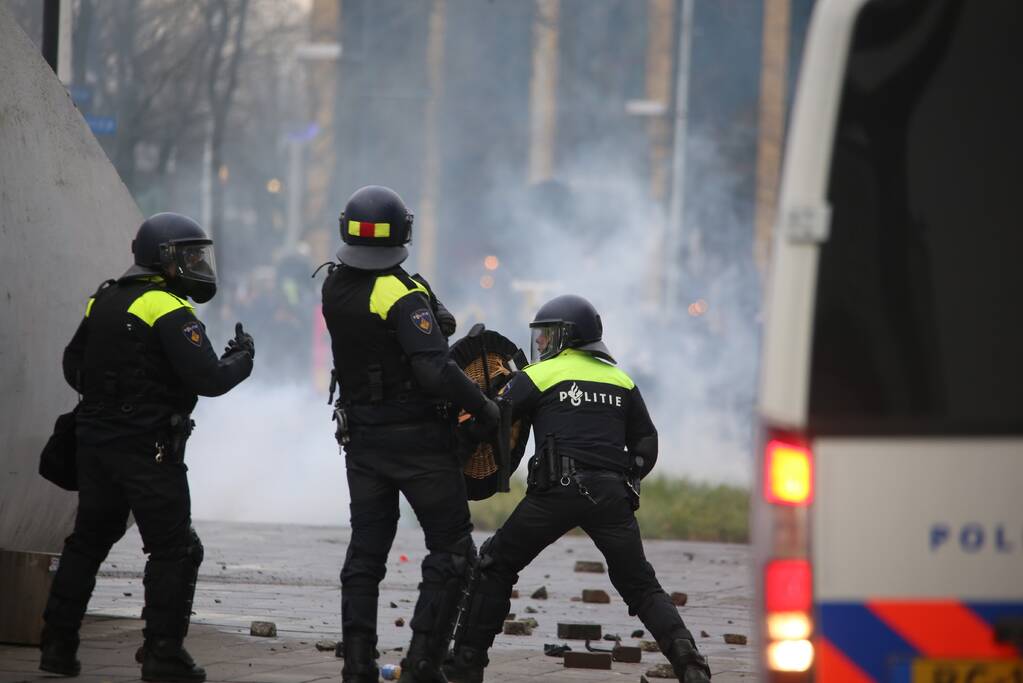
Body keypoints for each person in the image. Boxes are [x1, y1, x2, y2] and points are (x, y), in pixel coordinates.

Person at [444, 295, 712, 683]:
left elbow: (492, 418)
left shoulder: (541, 374)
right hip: (612, 496)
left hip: (555, 493)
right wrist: (628, 477)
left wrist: (460, 435)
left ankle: (465, 665)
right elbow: (646, 443)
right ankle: (689, 661)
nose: (539, 342)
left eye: (546, 334)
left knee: (495, 564)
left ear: (567, 336)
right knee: (640, 585)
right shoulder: (622, 380)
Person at [39, 213, 255, 682]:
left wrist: (113, 397)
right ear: (164, 258)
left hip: (95, 443)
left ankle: (57, 645)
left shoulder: (104, 298)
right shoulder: (166, 305)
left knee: (87, 542)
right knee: (175, 550)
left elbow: (73, 365)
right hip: (148, 449)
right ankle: (163, 653)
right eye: (190, 256)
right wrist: (243, 358)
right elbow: (210, 378)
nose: (197, 264)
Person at [320, 185, 498, 683]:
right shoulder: (401, 293)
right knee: (452, 549)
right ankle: (422, 664)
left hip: (362, 442)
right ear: (402, 231)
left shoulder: (333, 286)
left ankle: (357, 666)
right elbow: (434, 370)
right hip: (419, 444)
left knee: (365, 553)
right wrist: (483, 406)